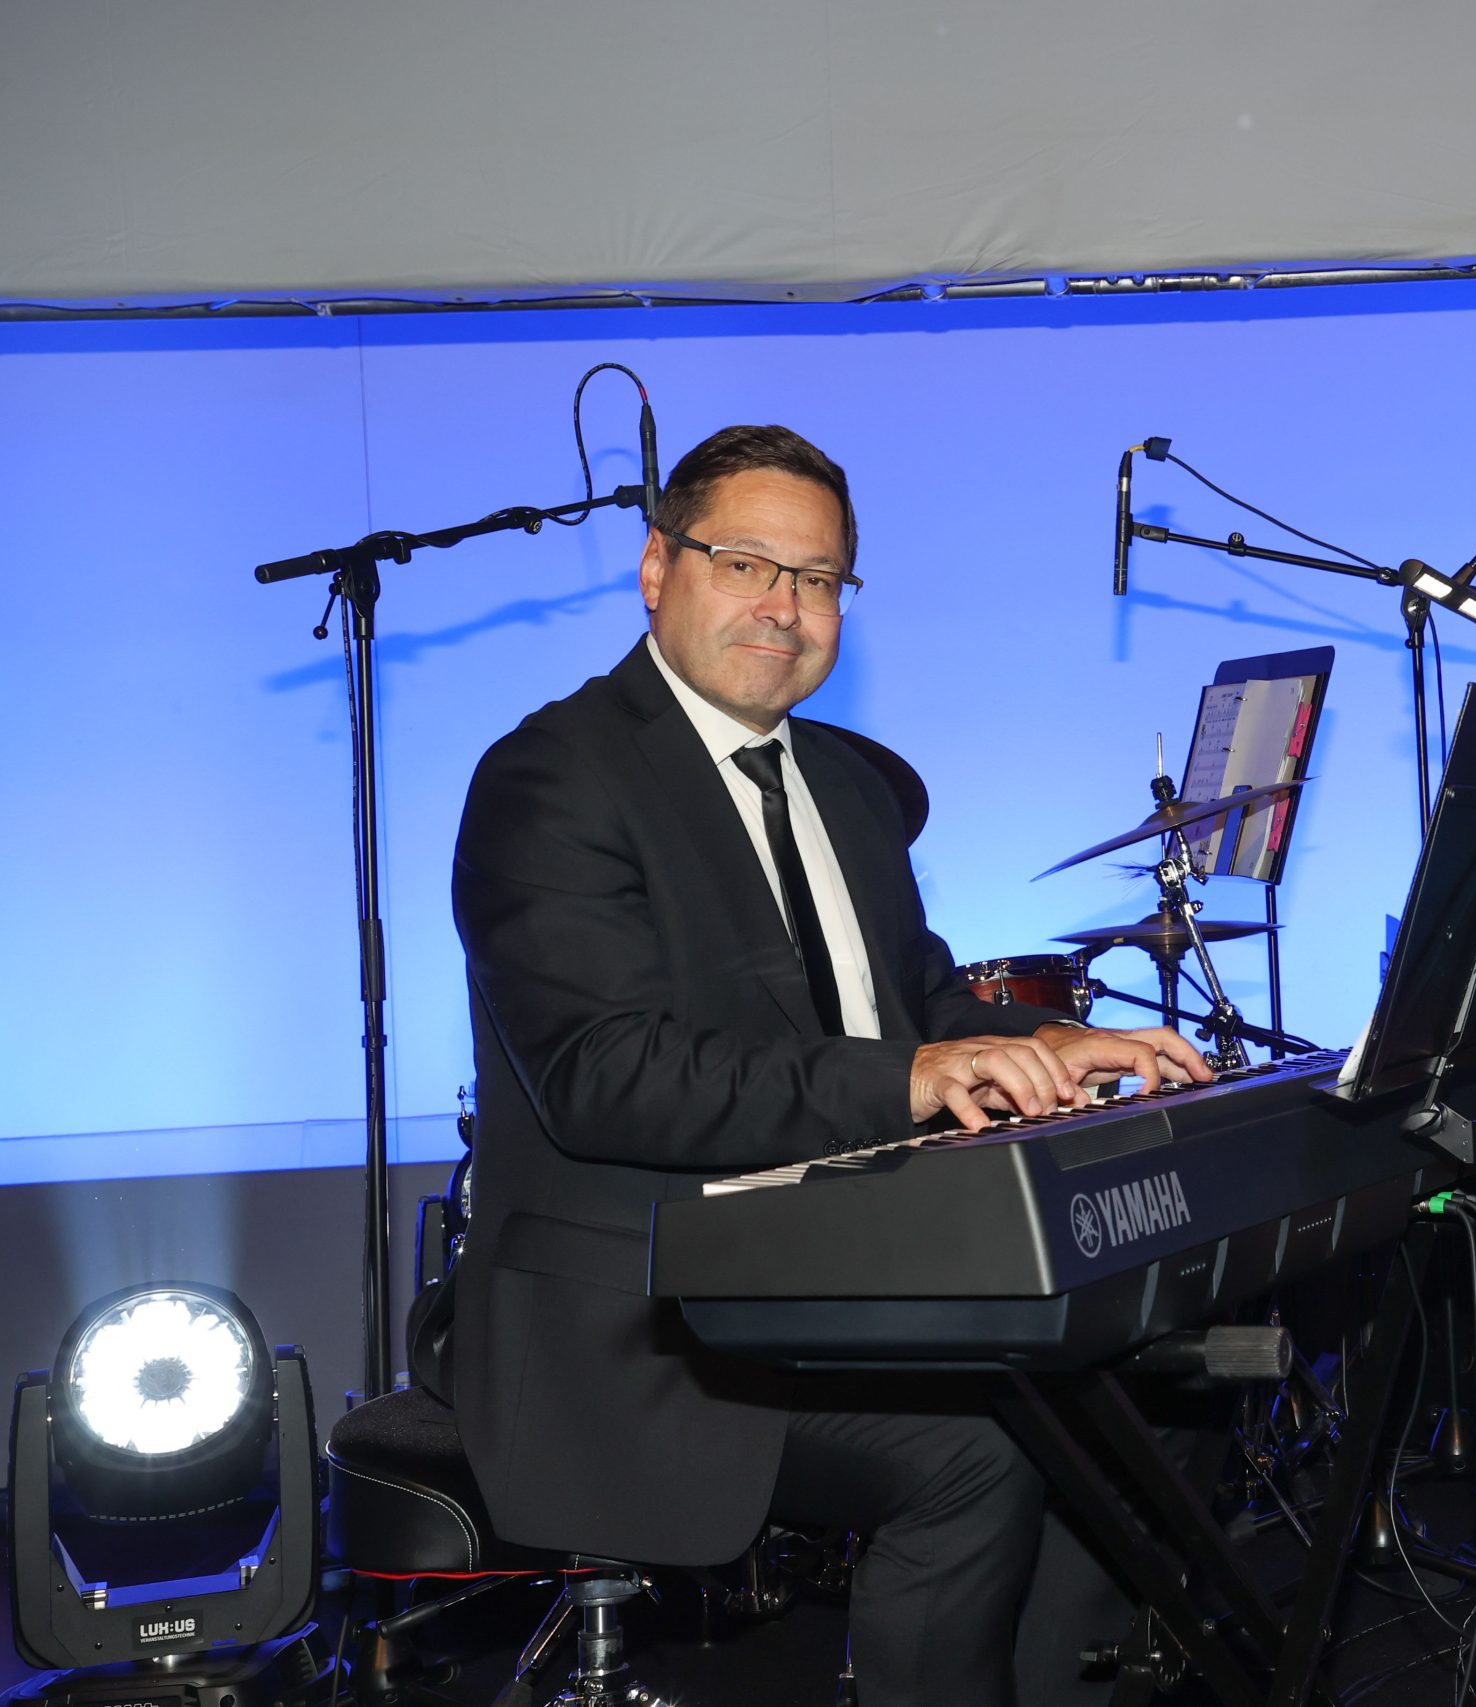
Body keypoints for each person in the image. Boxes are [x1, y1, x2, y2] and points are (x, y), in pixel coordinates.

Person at [448, 423, 1214, 1706]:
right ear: (657, 570)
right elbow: (605, 1077)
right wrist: (907, 1079)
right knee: (976, 1454)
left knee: (1146, 1393)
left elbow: (917, 999)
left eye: (816, 579)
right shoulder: (550, 778)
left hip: (844, 1273)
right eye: (746, 564)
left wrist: (1050, 1043)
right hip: (643, 1322)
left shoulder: (848, 784)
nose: (784, 606)